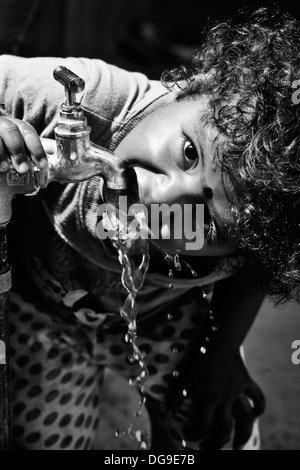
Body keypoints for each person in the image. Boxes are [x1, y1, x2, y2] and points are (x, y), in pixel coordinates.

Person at [0, 6, 298, 450]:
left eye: (209, 221)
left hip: (163, 315)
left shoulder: (256, 236)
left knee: (215, 430)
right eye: (189, 153)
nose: (161, 197)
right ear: (191, 89)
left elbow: (263, 266)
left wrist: (218, 354)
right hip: (42, 308)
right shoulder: (87, 101)